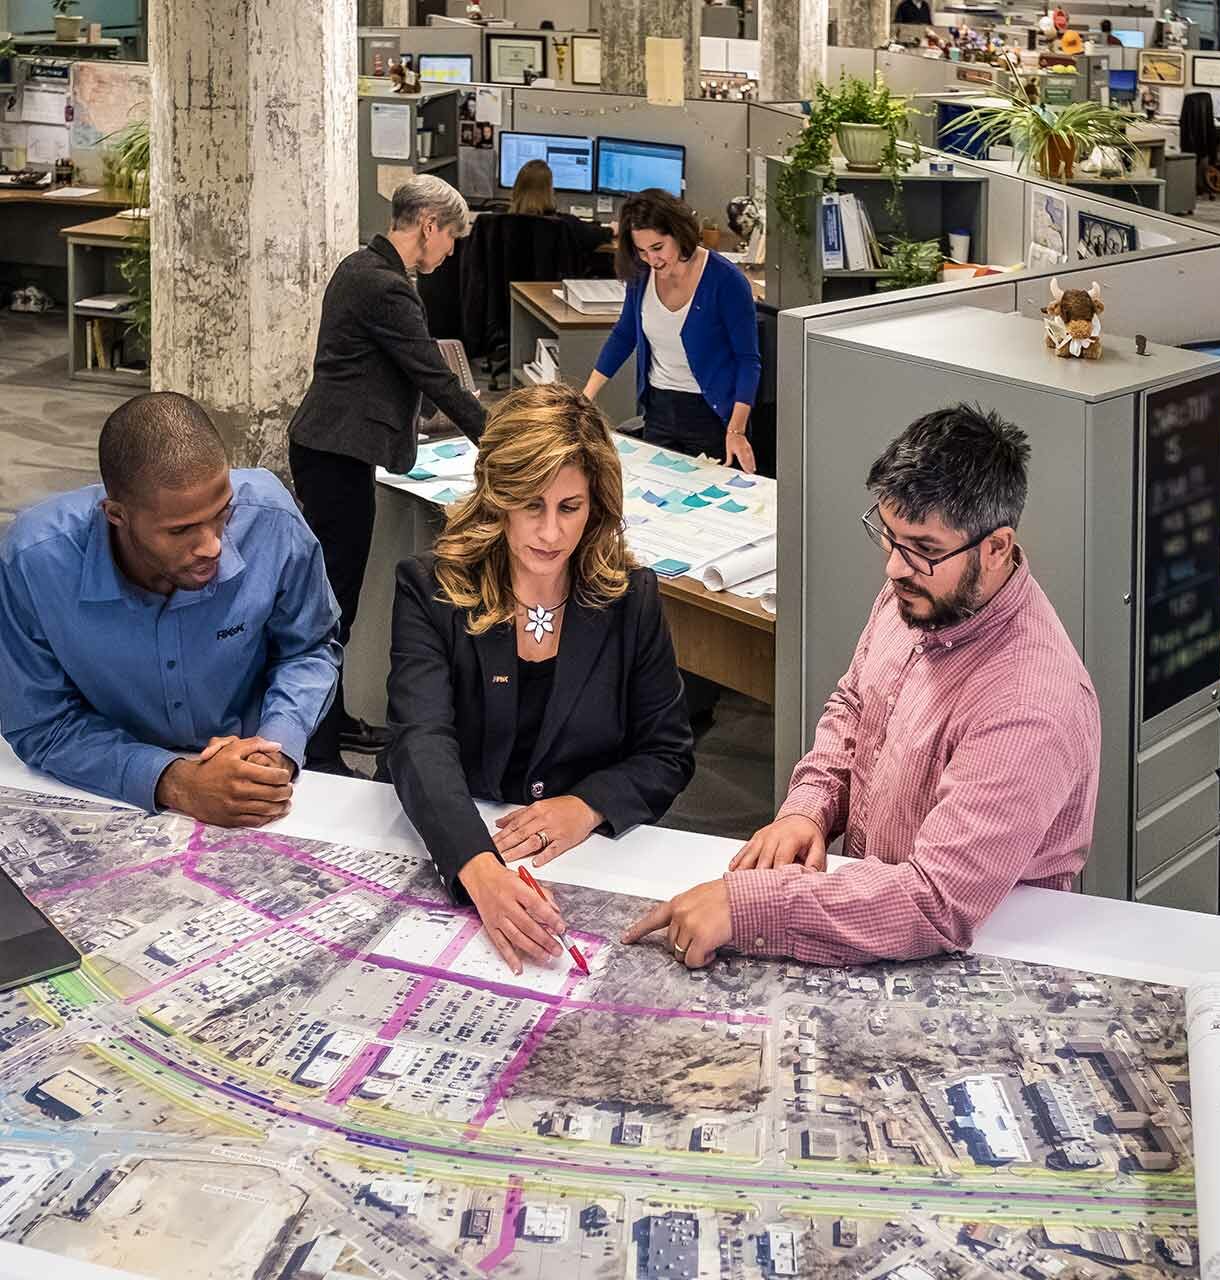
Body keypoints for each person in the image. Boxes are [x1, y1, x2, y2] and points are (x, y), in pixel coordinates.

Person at [623, 405, 1101, 969]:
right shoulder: (925, 595)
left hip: (979, 961)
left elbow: (935, 903)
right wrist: (808, 808)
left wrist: (748, 907)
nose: (895, 568)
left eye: (923, 548)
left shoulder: (1031, 704)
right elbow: (855, 707)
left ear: (996, 547)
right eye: (889, 537)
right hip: (877, 918)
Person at [385, 383, 695, 974]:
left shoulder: (632, 599)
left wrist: (587, 805)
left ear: (596, 505)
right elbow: (418, 741)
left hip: (584, 862)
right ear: (497, 496)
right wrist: (477, 869)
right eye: (531, 505)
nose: (550, 533)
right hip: (456, 842)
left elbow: (667, 752)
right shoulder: (429, 589)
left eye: (569, 508)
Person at [0, 392, 340, 827]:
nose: (212, 545)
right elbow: (41, 724)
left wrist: (272, 751)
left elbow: (308, 649)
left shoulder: (272, 521)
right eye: (180, 530)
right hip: (108, 792)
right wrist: (174, 782)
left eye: (222, 514)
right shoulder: (34, 562)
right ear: (116, 515)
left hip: (252, 784)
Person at [289, 175, 486, 775]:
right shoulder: (385, 287)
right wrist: (500, 437)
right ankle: (320, 746)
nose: (450, 251)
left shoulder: (363, 267)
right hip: (336, 456)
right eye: (450, 237)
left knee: (337, 597)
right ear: (428, 225)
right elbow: (432, 372)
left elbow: (392, 372)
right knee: (334, 605)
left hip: (333, 449)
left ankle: (334, 716)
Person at [584, 188, 761, 473]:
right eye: (642, 251)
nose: (652, 260)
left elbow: (748, 361)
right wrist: (585, 398)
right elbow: (624, 335)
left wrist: (736, 430)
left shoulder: (725, 281)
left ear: (678, 233)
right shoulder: (642, 276)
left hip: (713, 416)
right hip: (659, 409)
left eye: (657, 248)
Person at [509, 158, 614, 261]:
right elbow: (595, 235)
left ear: (517, 188)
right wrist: (612, 229)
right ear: (549, 191)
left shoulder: (503, 223)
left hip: (513, 279)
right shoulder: (564, 224)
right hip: (554, 279)